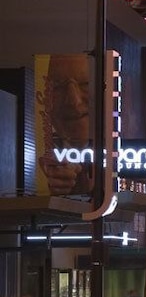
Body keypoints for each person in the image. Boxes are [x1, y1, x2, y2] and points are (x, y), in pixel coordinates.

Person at [36, 54, 94, 196]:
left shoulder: (119, 154)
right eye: (58, 86)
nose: (73, 101)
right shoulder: (39, 159)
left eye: (85, 84)